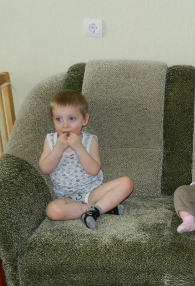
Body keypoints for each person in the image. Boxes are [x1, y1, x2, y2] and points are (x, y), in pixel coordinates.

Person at [39, 90, 133, 228]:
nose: (65, 125)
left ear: (84, 120)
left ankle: (96, 209)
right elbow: (45, 168)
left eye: (72, 118)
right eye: (58, 119)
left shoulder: (90, 140)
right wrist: (58, 148)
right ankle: (99, 209)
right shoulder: (51, 140)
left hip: (92, 193)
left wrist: (79, 148)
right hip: (66, 198)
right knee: (53, 211)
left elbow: (94, 170)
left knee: (127, 183)